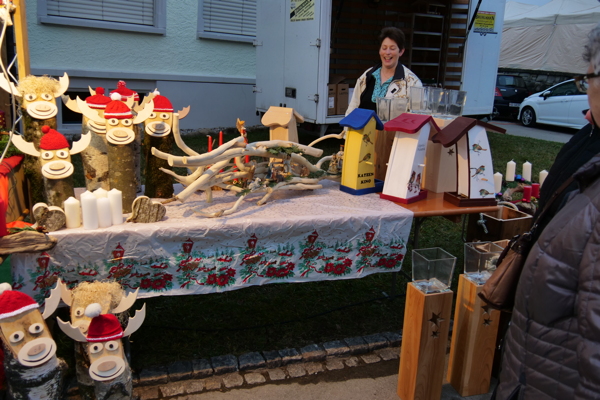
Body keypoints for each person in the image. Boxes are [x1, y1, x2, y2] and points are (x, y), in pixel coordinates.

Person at [495, 23, 600, 399]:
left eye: (588, 78)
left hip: (559, 376)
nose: (587, 91)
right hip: (539, 363)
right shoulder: (589, 136)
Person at [346, 27, 422, 115]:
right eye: (384, 48)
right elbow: (352, 108)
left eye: (392, 48)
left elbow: (417, 118)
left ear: (401, 51)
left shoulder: (412, 82)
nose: (387, 52)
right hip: (363, 129)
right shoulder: (367, 76)